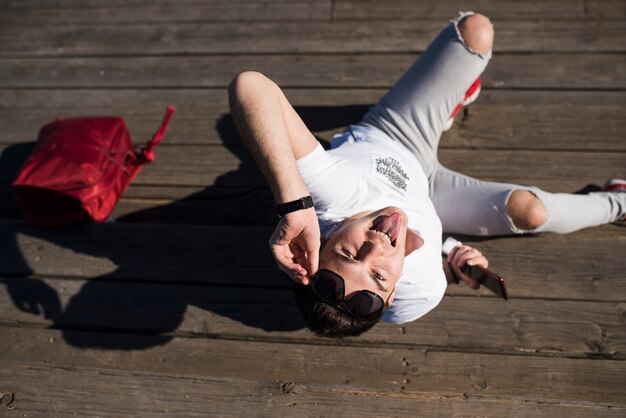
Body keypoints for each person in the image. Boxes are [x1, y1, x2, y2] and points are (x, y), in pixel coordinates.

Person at [228, 12, 625, 338]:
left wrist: (296, 207)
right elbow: (417, 261)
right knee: (531, 213)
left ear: (326, 237)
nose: (376, 249)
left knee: (476, 31)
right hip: (435, 196)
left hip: (396, 133)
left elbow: (251, 86)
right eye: (380, 276)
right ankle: (617, 203)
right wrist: (451, 260)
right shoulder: (422, 292)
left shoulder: (328, 196)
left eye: (348, 253)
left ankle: (446, 102)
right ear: (395, 288)